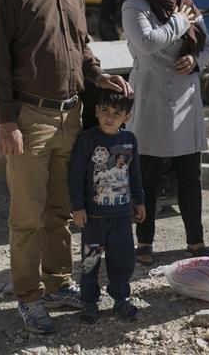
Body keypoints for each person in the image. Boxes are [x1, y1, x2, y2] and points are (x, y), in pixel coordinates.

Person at [0, 0, 131, 335]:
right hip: (30, 119)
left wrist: (97, 73)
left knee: (60, 211)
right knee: (26, 216)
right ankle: (28, 298)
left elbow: (81, 47)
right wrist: (6, 122)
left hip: (71, 116)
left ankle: (58, 283)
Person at [122, 0, 209, 266]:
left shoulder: (186, 5)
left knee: (190, 175)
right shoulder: (134, 6)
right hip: (150, 100)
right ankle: (144, 242)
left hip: (185, 100)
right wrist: (179, 21)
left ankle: (196, 241)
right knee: (146, 176)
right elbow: (148, 42)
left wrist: (195, 61)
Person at [69, 89, 145, 324]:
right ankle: (90, 301)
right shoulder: (88, 139)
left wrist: (139, 200)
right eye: (104, 111)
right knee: (90, 262)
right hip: (94, 218)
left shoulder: (129, 140)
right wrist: (78, 207)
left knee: (123, 259)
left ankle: (120, 298)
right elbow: (76, 175)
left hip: (122, 216)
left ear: (127, 117)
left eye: (117, 113)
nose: (109, 117)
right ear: (96, 111)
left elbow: (135, 174)